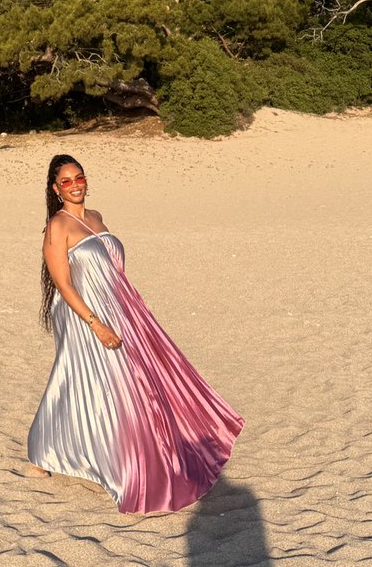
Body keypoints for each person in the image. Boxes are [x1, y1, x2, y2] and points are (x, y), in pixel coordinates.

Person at [26, 153, 243, 514]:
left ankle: (48, 449)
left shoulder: (96, 217)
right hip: (84, 316)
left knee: (124, 380)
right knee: (98, 380)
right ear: (55, 189)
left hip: (119, 311)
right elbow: (63, 284)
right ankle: (99, 460)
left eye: (79, 177)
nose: (75, 185)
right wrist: (96, 323)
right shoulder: (58, 227)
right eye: (66, 181)